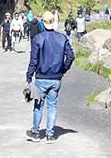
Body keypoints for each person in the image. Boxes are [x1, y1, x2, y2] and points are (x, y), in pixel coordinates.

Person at [26, 12, 75, 143]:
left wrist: (29, 76)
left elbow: (34, 60)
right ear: (54, 22)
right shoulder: (62, 38)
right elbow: (70, 56)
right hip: (56, 78)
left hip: (41, 78)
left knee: (38, 106)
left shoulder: (38, 38)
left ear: (43, 22)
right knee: (52, 106)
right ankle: (50, 135)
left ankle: (35, 132)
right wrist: (63, 69)